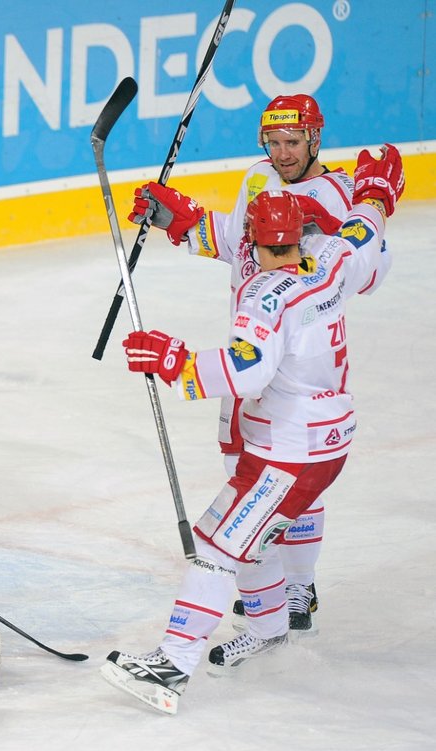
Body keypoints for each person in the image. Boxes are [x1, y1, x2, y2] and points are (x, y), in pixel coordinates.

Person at [101, 149, 404, 715]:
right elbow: (365, 232)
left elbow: (248, 370)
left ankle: (171, 666)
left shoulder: (265, 297)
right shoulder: (333, 256)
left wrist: (174, 361)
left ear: (256, 242)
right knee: (236, 533)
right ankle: (267, 626)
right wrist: (377, 194)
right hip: (310, 438)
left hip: (290, 453)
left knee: (216, 547)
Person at [126, 95, 371, 633]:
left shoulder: (335, 194)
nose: (283, 153)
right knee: (246, 468)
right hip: (252, 348)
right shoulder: (259, 177)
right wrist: (182, 219)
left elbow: (358, 265)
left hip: (301, 360)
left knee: (289, 478)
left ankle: (299, 586)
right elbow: (239, 244)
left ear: (315, 139)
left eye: (293, 142)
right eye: (274, 142)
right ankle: (270, 599)